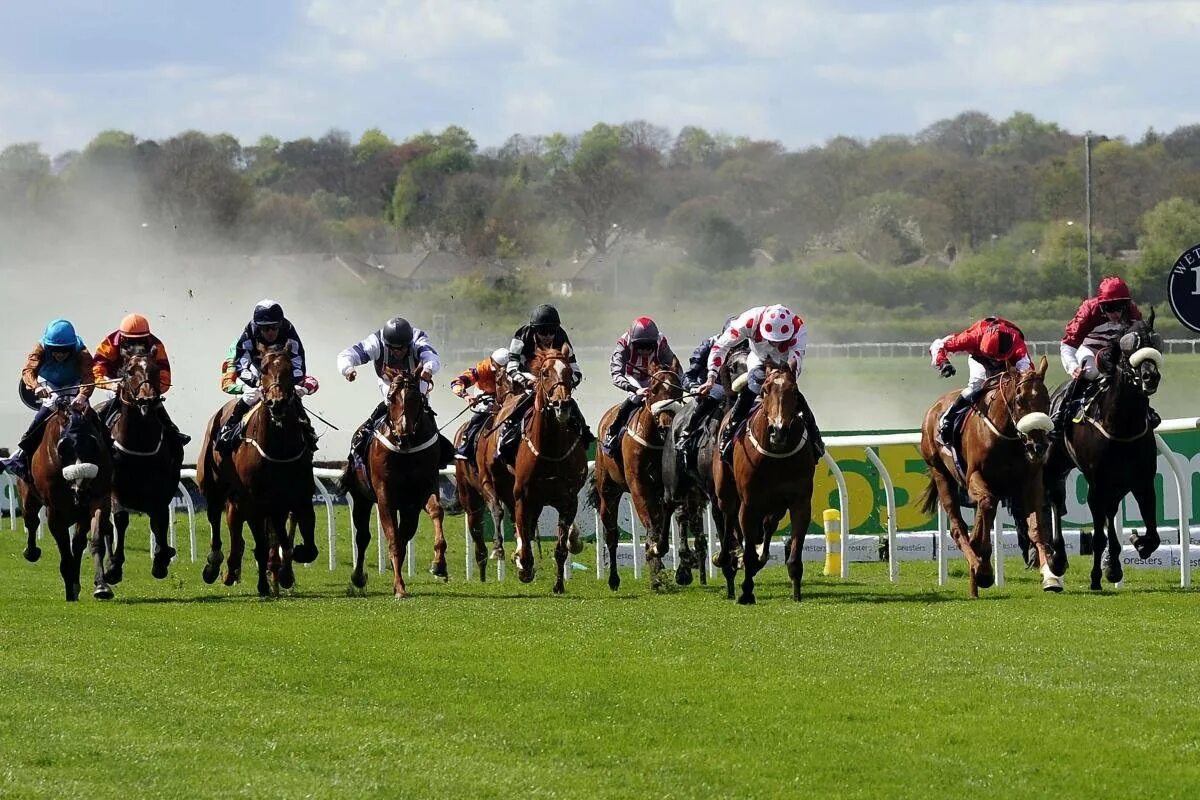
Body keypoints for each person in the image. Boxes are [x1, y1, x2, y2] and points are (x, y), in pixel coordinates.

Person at [698, 304, 823, 463]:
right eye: (771, 340)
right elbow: (720, 346)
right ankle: (730, 432)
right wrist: (711, 377)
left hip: (784, 364)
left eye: (780, 341)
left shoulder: (798, 327)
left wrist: (784, 378)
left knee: (789, 392)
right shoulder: (749, 320)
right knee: (753, 386)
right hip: (758, 358)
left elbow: (795, 362)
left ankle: (814, 437)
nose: (775, 344)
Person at [215, 299, 319, 454]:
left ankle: (307, 429)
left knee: (294, 395)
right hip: (258, 372)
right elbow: (241, 364)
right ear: (258, 326)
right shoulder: (249, 331)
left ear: (281, 324)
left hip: (281, 373)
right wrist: (256, 381)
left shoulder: (289, 330)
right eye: (264, 328)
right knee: (251, 395)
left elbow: (298, 364)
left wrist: (287, 383)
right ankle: (228, 428)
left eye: (274, 327)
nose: (270, 331)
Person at [1056, 275, 1157, 429]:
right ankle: (1061, 415)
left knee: (1132, 374)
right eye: (1110, 308)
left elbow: (1138, 342)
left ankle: (1146, 410)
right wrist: (1073, 367)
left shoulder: (1132, 312)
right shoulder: (1089, 310)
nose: (1116, 313)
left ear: (1127, 304)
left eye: (1120, 307)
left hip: (1116, 352)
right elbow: (1068, 344)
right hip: (1090, 349)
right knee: (1090, 372)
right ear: (1102, 306)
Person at [0, 319, 95, 481]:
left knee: (88, 414)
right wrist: (36, 387)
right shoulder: (40, 348)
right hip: (48, 382)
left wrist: (83, 394)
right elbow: (28, 371)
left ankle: (108, 445)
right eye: (55, 350)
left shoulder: (82, 352)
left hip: (74, 383)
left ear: (72, 347)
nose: (60, 354)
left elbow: (88, 377)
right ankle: (21, 453)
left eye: (64, 351)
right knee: (50, 406)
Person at [337, 317, 441, 463]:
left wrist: (429, 368)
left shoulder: (418, 340)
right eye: (392, 348)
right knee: (391, 402)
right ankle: (363, 437)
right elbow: (347, 355)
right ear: (386, 344)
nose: (397, 352)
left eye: (402, 348)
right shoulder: (376, 342)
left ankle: (439, 445)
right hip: (389, 382)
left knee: (419, 406)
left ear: (409, 343)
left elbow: (431, 356)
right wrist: (348, 369)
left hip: (415, 384)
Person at [496, 303, 590, 462]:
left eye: (551, 332)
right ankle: (505, 440)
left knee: (572, 408)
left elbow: (576, 370)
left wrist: (562, 384)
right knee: (517, 409)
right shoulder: (522, 336)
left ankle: (585, 437)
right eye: (542, 332)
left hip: (554, 385)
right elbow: (512, 368)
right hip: (526, 383)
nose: (548, 336)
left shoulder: (561, 336)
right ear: (534, 330)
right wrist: (529, 381)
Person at [92, 313, 190, 459]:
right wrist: (111, 385)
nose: (136, 344)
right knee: (99, 416)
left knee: (162, 416)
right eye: (131, 340)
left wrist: (153, 389)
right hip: (116, 385)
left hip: (146, 387)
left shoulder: (156, 345)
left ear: (147, 337)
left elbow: (164, 377)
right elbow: (96, 371)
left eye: (140, 340)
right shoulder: (110, 342)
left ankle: (174, 436)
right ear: (123, 337)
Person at [930, 316, 1031, 445]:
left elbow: (1027, 370)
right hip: (980, 358)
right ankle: (947, 420)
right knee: (977, 385)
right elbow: (938, 345)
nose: (994, 362)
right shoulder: (972, 336)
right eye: (992, 357)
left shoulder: (1017, 343)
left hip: (1007, 361)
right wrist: (943, 362)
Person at [601, 316, 679, 456]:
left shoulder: (661, 341)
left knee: (671, 401)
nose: (645, 350)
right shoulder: (623, 344)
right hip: (632, 377)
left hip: (654, 377)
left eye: (649, 346)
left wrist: (678, 386)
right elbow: (616, 374)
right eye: (640, 346)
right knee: (637, 399)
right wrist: (635, 389)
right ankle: (613, 433)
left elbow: (674, 366)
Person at [450, 348, 510, 461]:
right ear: (492, 362)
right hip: (485, 393)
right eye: (499, 368)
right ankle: (465, 446)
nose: (502, 371)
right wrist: (466, 396)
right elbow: (456, 382)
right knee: (486, 410)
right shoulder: (481, 369)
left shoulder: (515, 366)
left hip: (507, 394)